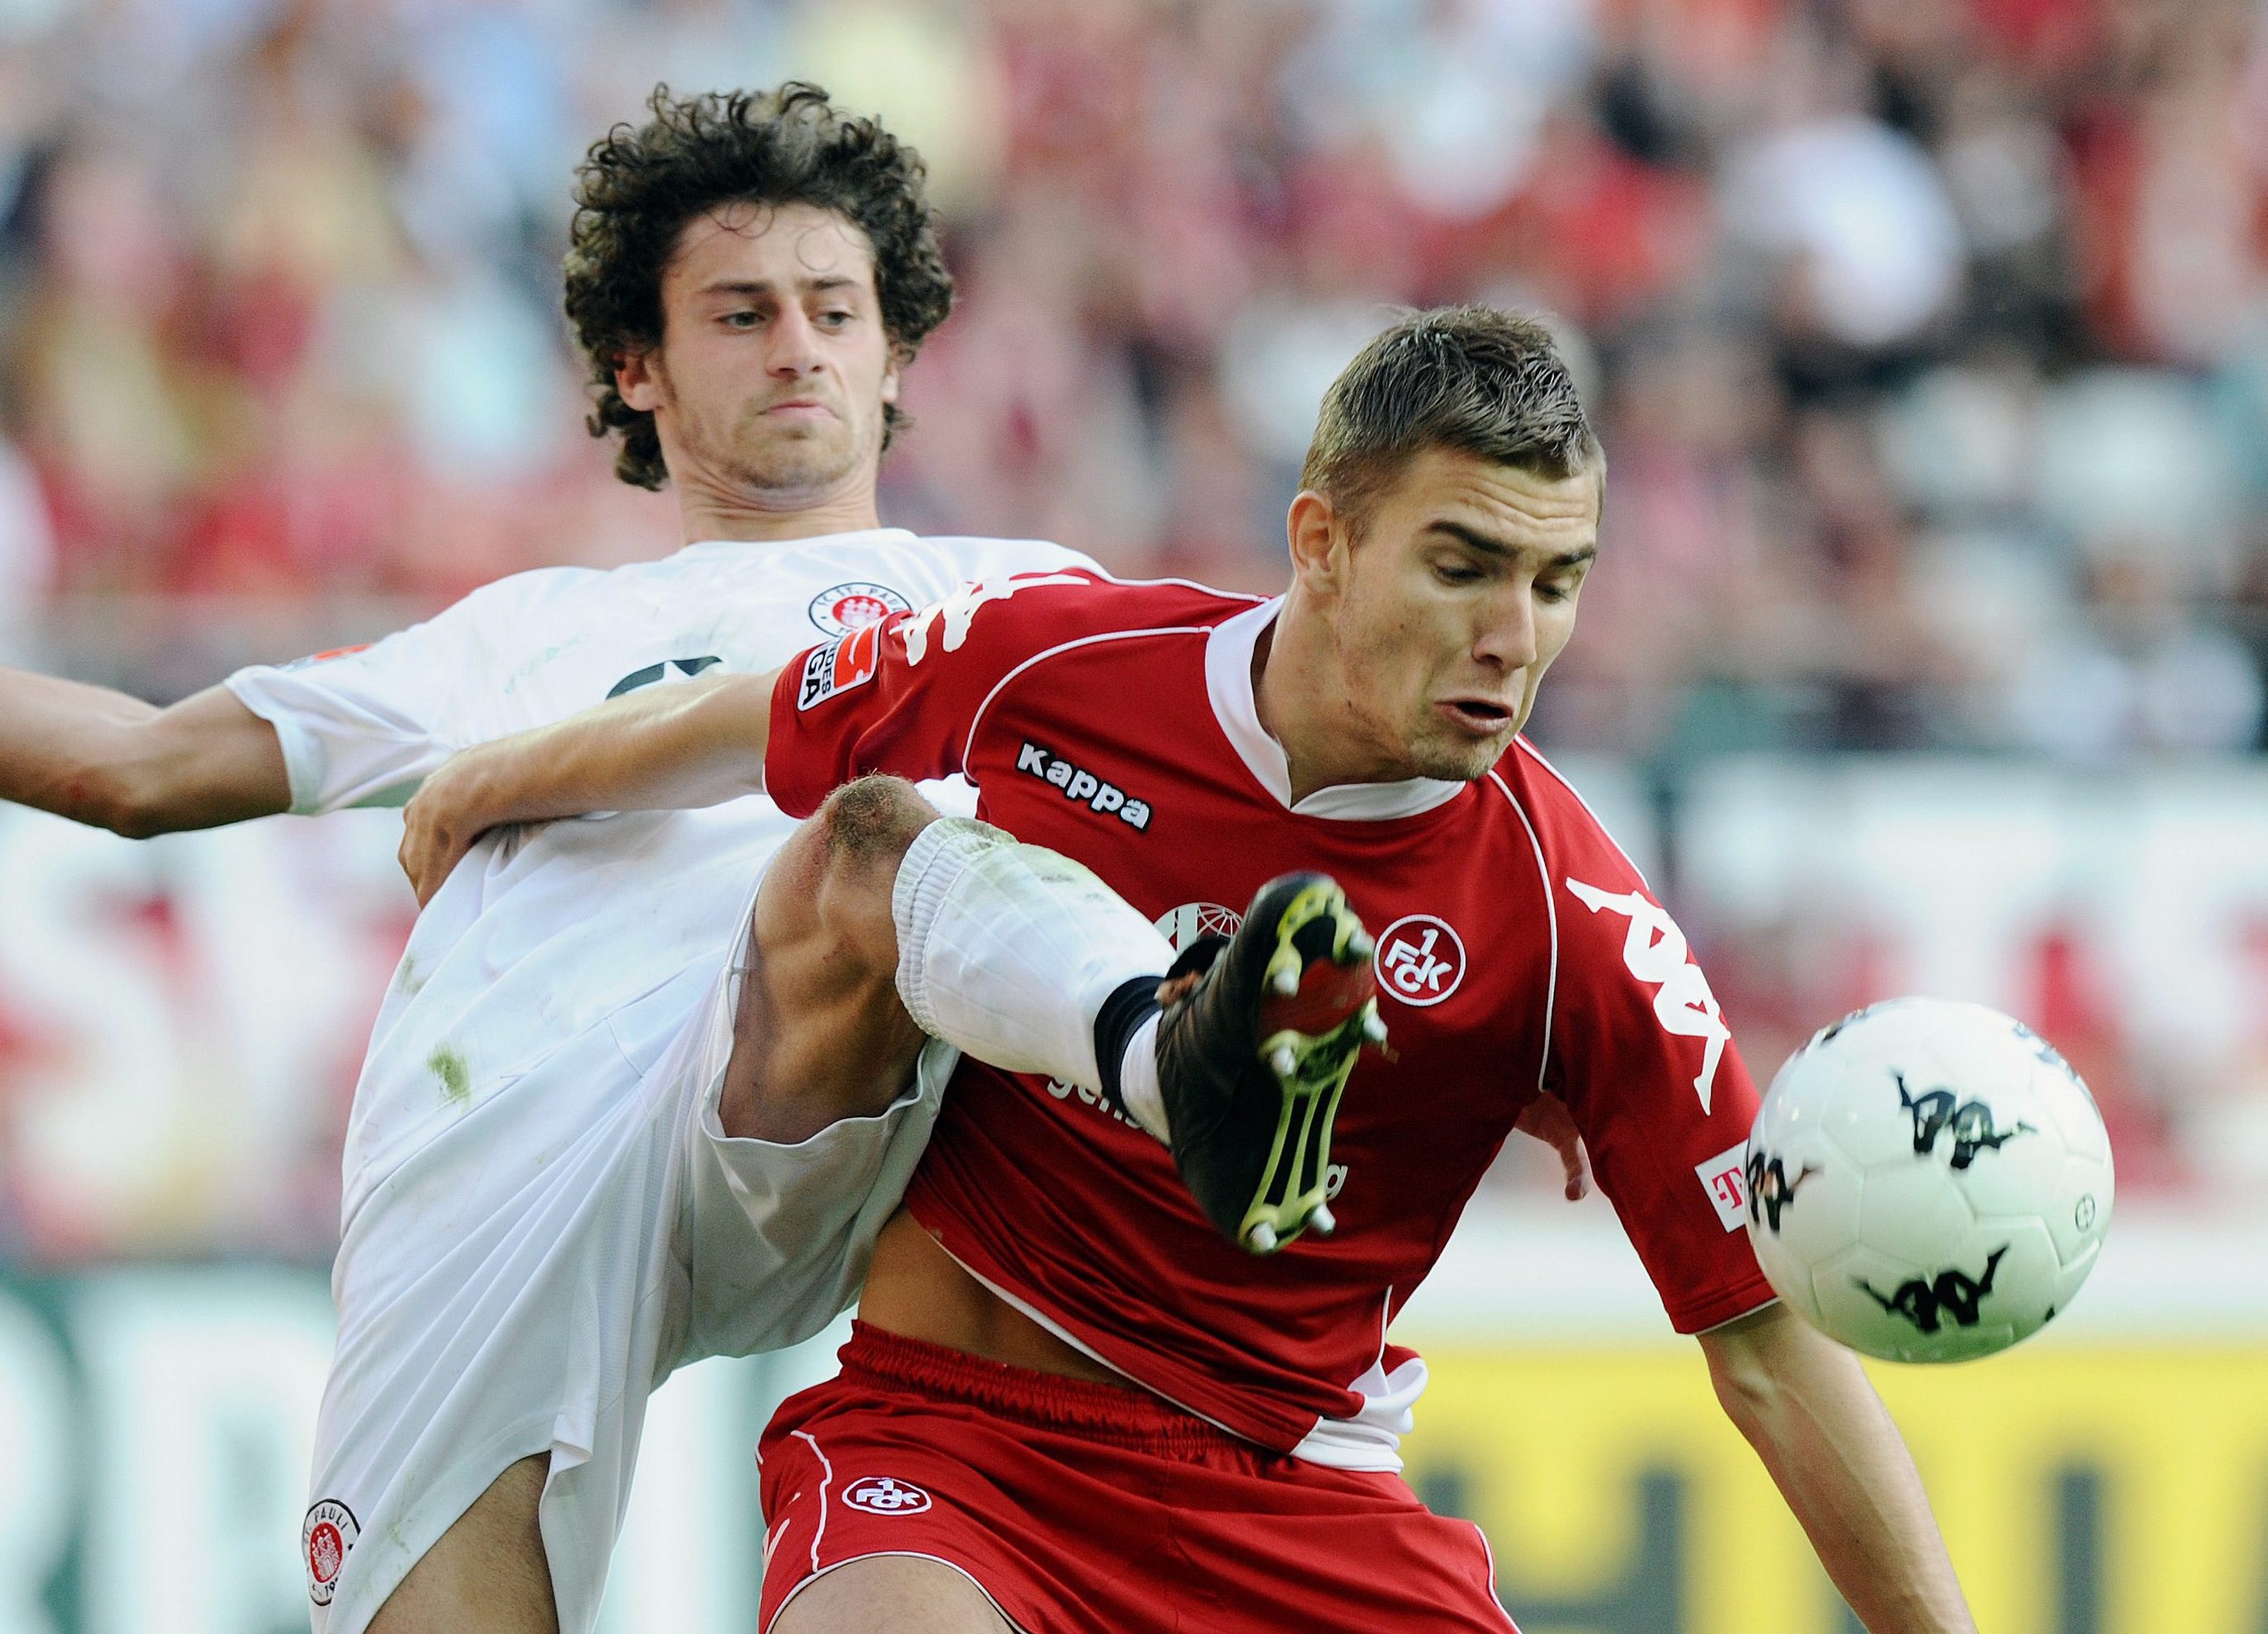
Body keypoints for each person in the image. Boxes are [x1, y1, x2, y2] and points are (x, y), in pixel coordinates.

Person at [0, 84, 1434, 1634]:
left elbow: (1294, 754)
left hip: (798, 1073)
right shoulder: (520, 634)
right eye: (740, 314)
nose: (800, 346)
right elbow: (133, 768)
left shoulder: (1025, 601)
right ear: (640, 366)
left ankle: (1176, 1061)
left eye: (835, 309)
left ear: (895, 358)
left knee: (873, 829)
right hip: (503, 1168)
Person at [406, 307, 1979, 1633]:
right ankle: (1167, 1047)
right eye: (1464, 564)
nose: (1516, 633)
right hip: (955, 1447)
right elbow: (763, 717)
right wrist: (500, 775)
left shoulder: (1580, 925)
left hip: (1299, 1509)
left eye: (1557, 580)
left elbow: (1769, 1350)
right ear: (1323, 542)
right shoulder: (1062, 663)